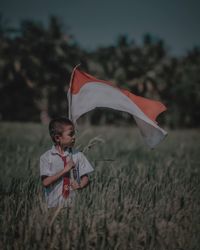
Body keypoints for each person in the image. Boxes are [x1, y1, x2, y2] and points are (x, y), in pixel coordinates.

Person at [40, 117, 94, 208]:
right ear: (58, 138)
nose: (74, 137)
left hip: (73, 206)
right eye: (70, 134)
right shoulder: (46, 157)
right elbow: (45, 182)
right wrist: (65, 170)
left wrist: (80, 185)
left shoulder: (78, 155)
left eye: (74, 134)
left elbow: (86, 178)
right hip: (53, 206)